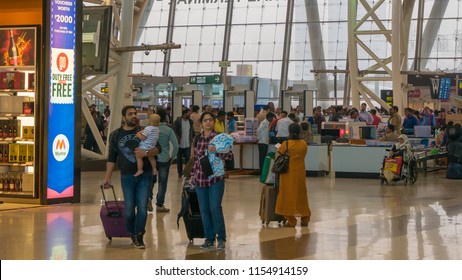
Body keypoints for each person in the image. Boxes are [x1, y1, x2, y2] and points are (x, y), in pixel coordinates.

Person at [103, 105, 158, 249]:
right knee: (128, 209)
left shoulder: (144, 132)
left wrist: (145, 154)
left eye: (135, 113)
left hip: (144, 175)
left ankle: (139, 235)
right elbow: (111, 158)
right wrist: (107, 177)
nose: (134, 116)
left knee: (141, 207)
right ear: (124, 117)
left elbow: (158, 149)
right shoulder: (115, 135)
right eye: (130, 114)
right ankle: (132, 232)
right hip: (126, 176)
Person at [190, 112, 232, 250]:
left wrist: (216, 151)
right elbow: (195, 159)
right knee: (204, 209)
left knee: (215, 208)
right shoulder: (197, 138)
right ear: (201, 123)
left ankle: (221, 238)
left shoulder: (220, 137)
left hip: (216, 178)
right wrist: (192, 175)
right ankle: (209, 238)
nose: (208, 122)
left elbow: (229, 155)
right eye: (205, 120)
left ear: (213, 122)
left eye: (210, 120)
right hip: (200, 178)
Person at [275, 123, 311, 227]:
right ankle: (305, 218)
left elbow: (278, 155)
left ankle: (291, 220)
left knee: (287, 195)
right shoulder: (303, 144)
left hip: (288, 174)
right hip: (300, 173)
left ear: (289, 132)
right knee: (301, 195)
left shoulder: (286, 144)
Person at [147, 108, 178, 213]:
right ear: (166, 117)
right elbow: (176, 145)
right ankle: (160, 205)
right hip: (164, 159)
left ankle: (148, 199)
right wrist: (172, 157)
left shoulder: (149, 129)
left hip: (151, 158)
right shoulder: (168, 130)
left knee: (151, 180)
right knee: (162, 182)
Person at [173, 108, 194, 178]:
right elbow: (174, 130)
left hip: (187, 143)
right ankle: (180, 173)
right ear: (184, 113)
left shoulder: (190, 122)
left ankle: (187, 172)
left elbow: (191, 131)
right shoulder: (178, 121)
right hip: (179, 144)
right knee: (179, 159)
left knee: (188, 159)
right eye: (188, 113)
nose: (190, 114)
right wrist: (177, 139)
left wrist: (192, 138)